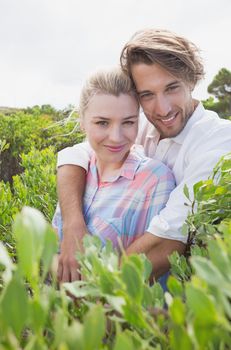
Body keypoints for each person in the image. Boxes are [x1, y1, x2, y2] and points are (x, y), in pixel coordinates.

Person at [57, 28, 231, 283]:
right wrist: (73, 224)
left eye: (171, 88)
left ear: (191, 80)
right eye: (147, 95)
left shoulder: (219, 141)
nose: (162, 109)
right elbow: (75, 156)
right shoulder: (139, 124)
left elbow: (167, 241)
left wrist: (95, 295)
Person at [53, 67, 175, 281]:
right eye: (102, 123)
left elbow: (145, 277)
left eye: (128, 122)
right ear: (82, 121)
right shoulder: (77, 173)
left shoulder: (153, 179)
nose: (116, 137)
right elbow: (54, 249)